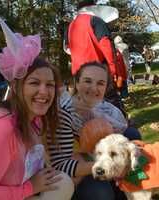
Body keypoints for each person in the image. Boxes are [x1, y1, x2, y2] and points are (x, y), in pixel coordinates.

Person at [0, 16, 74, 200]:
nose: (44, 92)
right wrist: (29, 188)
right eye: (35, 83)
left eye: (50, 84)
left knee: (62, 183)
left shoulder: (34, 120)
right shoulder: (1, 128)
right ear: (15, 87)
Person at [49, 61, 141, 200]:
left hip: (105, 156)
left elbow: (122, 132)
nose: (94, 88)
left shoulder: (107, 110)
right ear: (77, 83)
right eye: (87, 81)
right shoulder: (65, 112)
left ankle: (131, 185)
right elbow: (63, 161)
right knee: (102, 194)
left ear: (106, 87)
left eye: (100, 83)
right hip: (79, 166)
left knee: (132, 134)